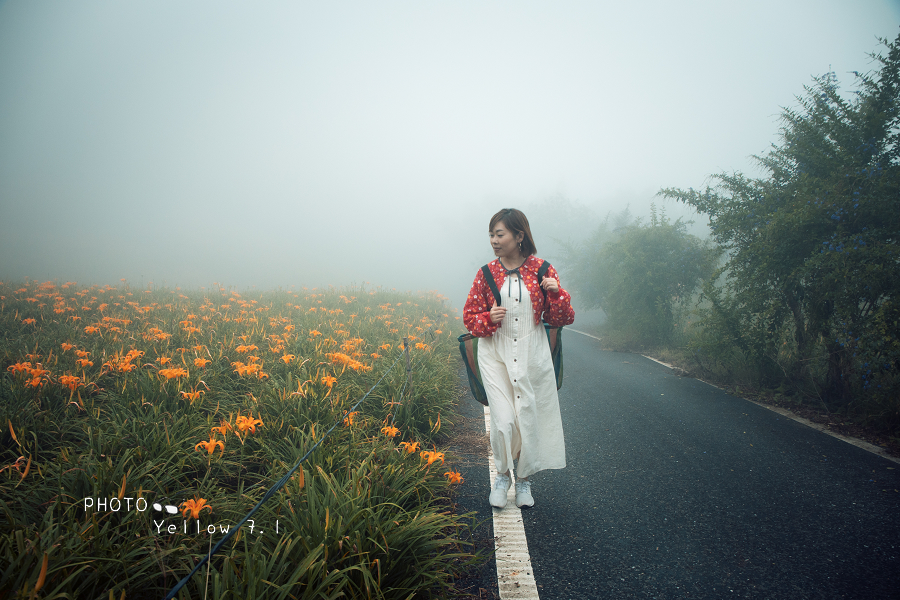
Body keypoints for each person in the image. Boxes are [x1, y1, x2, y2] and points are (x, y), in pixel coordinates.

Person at [463, 208, 574, 509]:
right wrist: (488, 316)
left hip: (532, 354)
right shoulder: (485, 274)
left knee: (527, 416)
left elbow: (562, 318)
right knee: (503, 419)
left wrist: (556, 293)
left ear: (519, 236)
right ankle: (502, 476)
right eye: (491, 235)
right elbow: (470, 318)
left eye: (499, 234)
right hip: (494, 353)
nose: (494, 240)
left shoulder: (542, 270)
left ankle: (523, 480)